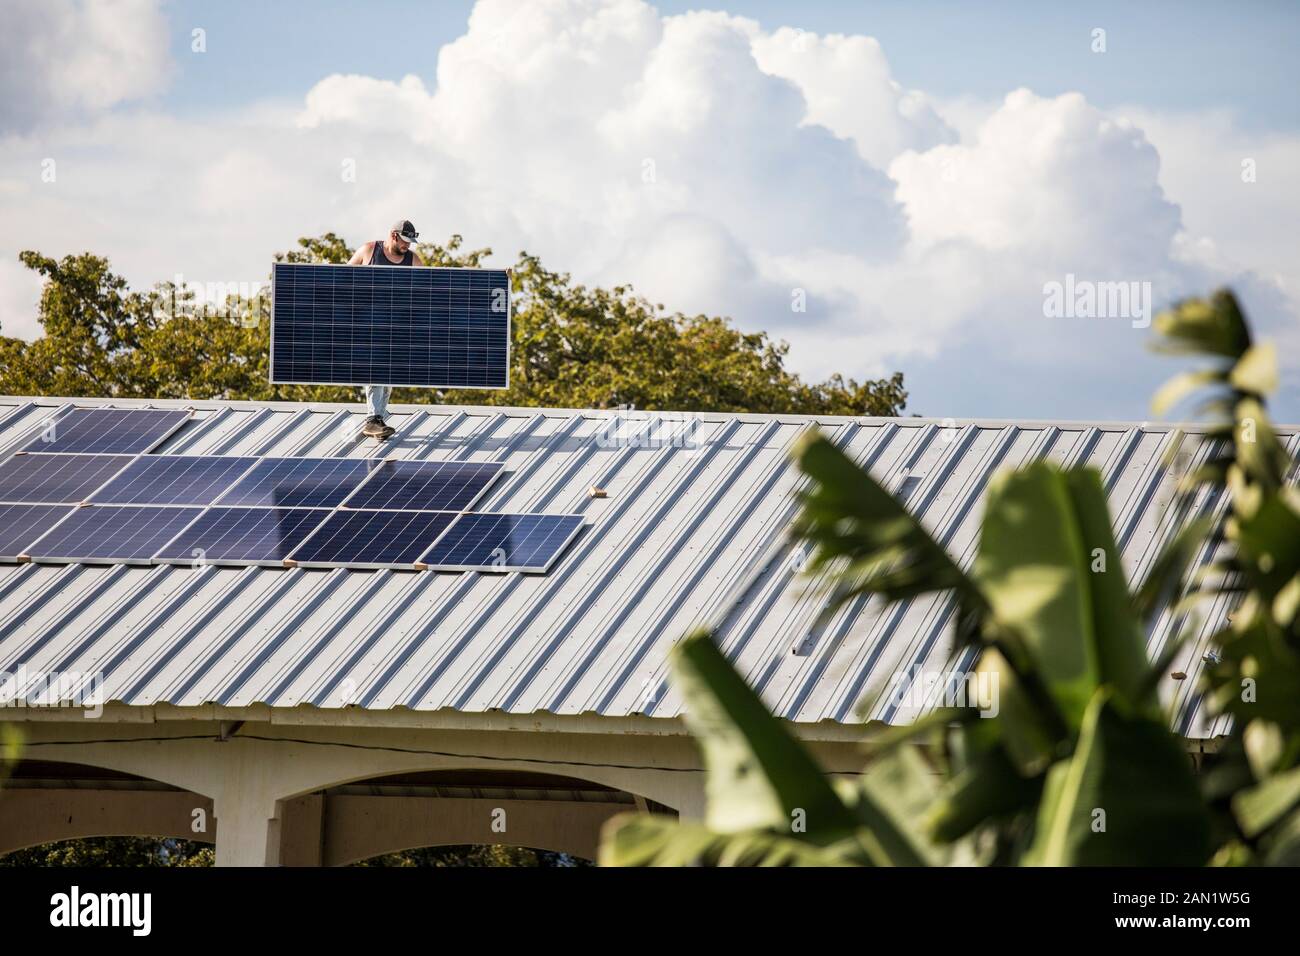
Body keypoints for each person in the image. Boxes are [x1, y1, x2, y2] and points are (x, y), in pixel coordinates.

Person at [347, 220, 427, 439]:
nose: (407, 246)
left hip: (396, 326)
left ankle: (378, 419)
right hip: (369, 323)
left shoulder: (412, 260)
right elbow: (342, 280)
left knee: (388, 374)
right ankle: (373, 418)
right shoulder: (369, 251)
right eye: (404, 241)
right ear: (393, 235)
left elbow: (431, 287)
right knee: (376, 367)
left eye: (410, 242)